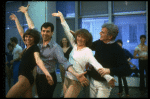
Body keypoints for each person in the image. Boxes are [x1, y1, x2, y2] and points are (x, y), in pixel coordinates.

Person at [16, 5, 89, 98]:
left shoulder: (56, 47)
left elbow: (64, 62)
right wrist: (26, 12)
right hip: (38, 76)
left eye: (47, 31)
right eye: (43, 31)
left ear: (52, 33)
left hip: (49, 76)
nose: (45, 33)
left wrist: (76, 74)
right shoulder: (38, 41)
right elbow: (31, 26)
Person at [52, 11, 116, 98]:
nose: (80, 39)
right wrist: (61, 17)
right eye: (79, 36)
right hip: (67, 78)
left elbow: (97, 65)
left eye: (83, 37)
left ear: (87, 40)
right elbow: (67, 30)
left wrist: (108, 78)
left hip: (76, 81)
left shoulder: (87, 51)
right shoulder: (74, 45)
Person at [7, 14, 54, 98]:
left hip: (25, 78)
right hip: (25, 77)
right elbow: (21, 32)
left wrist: (47, 73)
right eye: (27, 37)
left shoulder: (34, 47)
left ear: (35, 38)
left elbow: (38, 60)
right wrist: (16, 20)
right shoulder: (28, 47)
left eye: (30, 37)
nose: (28, 38)